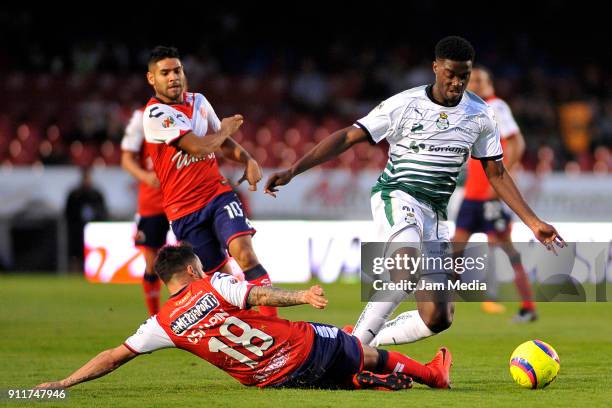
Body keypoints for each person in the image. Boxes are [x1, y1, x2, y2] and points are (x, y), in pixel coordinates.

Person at [265, 36, 565, 348]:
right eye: (451, 73)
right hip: (397, 195)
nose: (457, 82)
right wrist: (293, 170)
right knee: (404, 273)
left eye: (464, 75)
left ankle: (366, 342)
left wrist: (533, 222)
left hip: (435, 212)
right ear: (435, 68)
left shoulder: (481, 115)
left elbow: (496, 172)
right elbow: (347, 137)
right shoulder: (404, 104)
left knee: (438, 317)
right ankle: (352, 351)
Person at [35, 243, 452, 391]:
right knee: (357, 346)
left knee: (337, 351)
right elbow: (260, 294)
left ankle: (359, 381)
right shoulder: (213, 284)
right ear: (194, 270)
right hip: (300, 351)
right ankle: (431, 374)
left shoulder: (160, 323)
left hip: (268, 380)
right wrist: (303, 295)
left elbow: (113, 355)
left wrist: (65, 382)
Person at [142, 45, 276, 317]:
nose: (173, 77)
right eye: (164, 72)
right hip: (184, 212)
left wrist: (247, 159)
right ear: (151, 79)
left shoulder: (199, 102)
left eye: (177, 70)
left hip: (217, 195)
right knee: (220, 282)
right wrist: (224, 129)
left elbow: (221, 142)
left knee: (246, 255)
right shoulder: (155, 115)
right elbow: (199, 147)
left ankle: (279, 328)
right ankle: (260, 330)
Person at [452, 66, 536, 322]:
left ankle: (528, 307)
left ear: (490, 83)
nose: (473, 84)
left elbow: (517, 142)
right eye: (471, 80)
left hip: (489, 196)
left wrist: (498, 183)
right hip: (472, 196)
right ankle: (441, 305)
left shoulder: (496, 106)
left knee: (505, 249)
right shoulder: (472, 109)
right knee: (456, 249)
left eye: (479, 80)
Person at [121, 107, 170, 315]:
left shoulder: (187, 109)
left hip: (183, 197)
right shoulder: (140, 117)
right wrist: (145, 176)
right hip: (152, 202)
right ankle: (155, 317)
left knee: (198, 258)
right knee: (153, 264)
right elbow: (126, 160)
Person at [65, 166, 108, 272]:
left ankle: (93, 272)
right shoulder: (74, 195)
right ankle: (75, 275)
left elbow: (103, 212)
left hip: (94, 231)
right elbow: (68, 213)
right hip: (77, 230)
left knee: (93, 254)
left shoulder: (97, 194)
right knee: (76, 254)